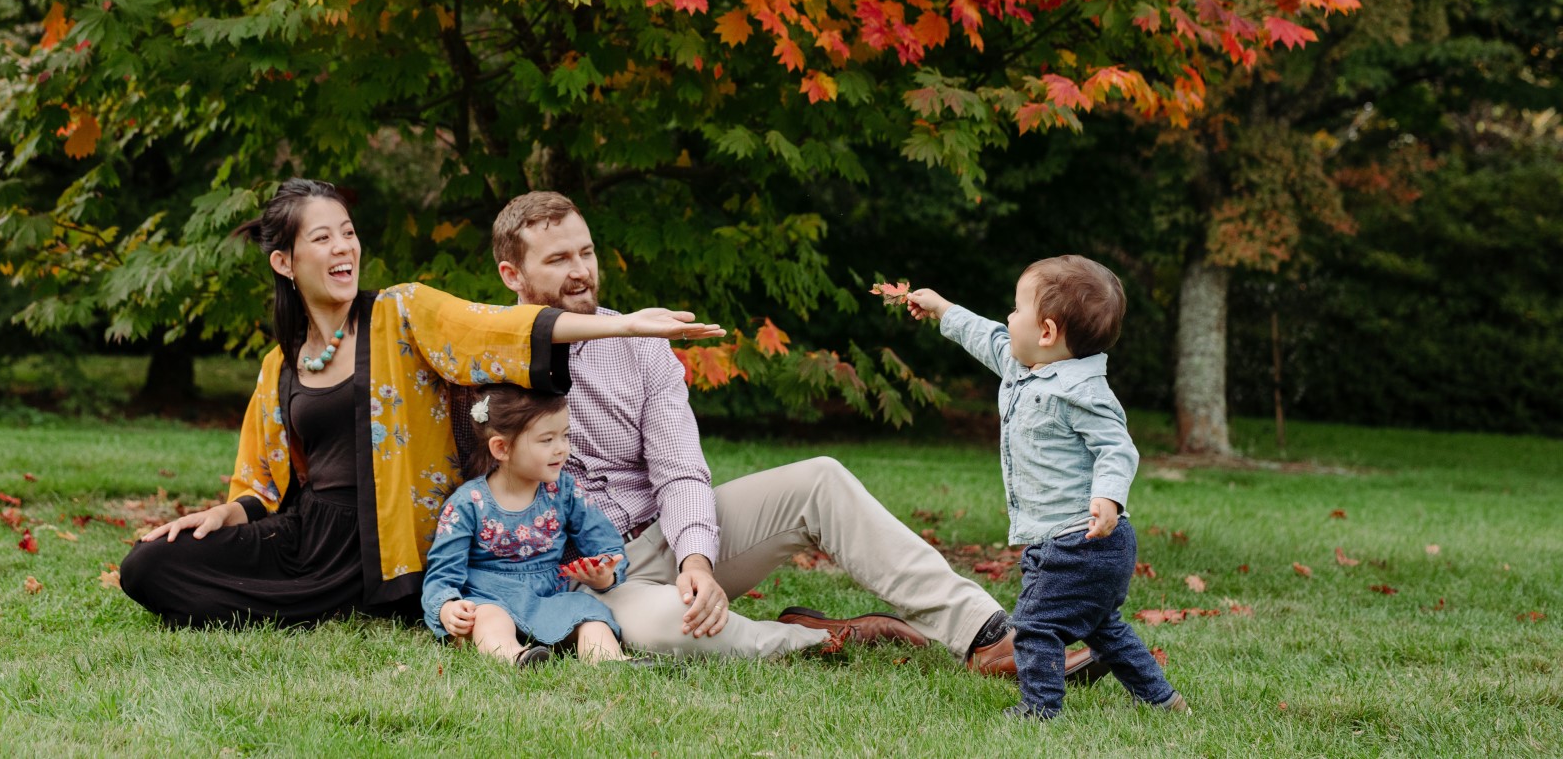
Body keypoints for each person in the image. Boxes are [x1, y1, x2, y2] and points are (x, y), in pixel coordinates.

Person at [486, 190, 1094, 681]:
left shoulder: (645, 340)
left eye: (586, 252)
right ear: (512, 273)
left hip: (664, 537)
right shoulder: (478, 359)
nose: (581, 272)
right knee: (668, 627)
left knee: (819, 478)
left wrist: (696, 558)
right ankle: (826, 636)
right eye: (558, 260)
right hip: (584, 578)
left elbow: (680, 470)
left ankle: (989, 635)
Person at [119, 178, 723, 630]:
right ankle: (309, 605)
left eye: (348, 233)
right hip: (311, 536)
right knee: (148, 566)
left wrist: (624, 329)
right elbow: (260, 479)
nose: (342, 248)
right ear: (285, 262)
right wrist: (226, 516)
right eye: (322, 238)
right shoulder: (281, 364)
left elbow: (494, 329)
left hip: (393, 540)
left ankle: (361, 601)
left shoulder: (404, 313)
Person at [906, 257, 1187, 719]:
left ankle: (1040, 708)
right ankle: (1161, 699)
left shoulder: (1083, 391)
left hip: (1081, 542)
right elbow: (986, 336)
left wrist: (1108, 496)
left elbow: (1118, 449)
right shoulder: (1023, 366)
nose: (1008, 318)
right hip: (1069, 542)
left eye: (1016, 309)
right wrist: (941, 308)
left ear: (1048, 332)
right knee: (1103, 627)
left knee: (1035, 627)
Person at [422, 386, 632, 665]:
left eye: (565, 435)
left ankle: (609, 662)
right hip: (488, 598)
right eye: (546, 440)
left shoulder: (565, 492)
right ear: (502, 448)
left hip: (548, 600)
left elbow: (607, 545)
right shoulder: (468, 503)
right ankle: (517, 658)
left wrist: (604, 574)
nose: (562, 448)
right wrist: (448, 608)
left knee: (589, 613)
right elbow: (441, 574)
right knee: (488, 620)